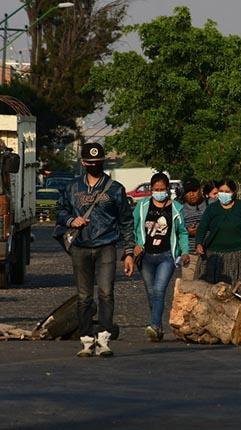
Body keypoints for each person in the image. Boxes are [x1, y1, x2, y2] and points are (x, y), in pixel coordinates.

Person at [56, 142, 135, 357]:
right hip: (80, 247)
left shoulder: (116, 189)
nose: (94, 165)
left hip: (106, 246)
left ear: (103, 162)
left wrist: (129, 253)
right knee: (84, 296)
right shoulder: (72, 187)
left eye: (98, 162)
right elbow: (60, 211)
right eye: (90, 162)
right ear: (83, 163)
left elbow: (127, 221)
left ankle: (104, 338)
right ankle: (86, 339)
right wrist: (72, 220)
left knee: (106, 292)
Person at [132, 173, 190, 341]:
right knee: (151, 293)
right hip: (145, 257)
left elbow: (182, 232)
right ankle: (157, 327)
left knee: (159, 290)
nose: (159, 192)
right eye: (156, 189)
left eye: (162, 189)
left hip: (166, 256)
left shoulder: (176, 208)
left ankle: (155, 325)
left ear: (168, 189)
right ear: (151, 190)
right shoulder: (142, 207)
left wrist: (184, 251)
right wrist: (135, 245)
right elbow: (132, 227)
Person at [196, 179, 241, 302]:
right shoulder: (212, 208)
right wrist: (199, 243)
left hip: (240, 254)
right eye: (221, 191)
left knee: (240, 294)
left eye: (227, 191)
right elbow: (202, 227)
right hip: (215, 256)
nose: (223, 194)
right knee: (214, 294)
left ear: (233, 192)